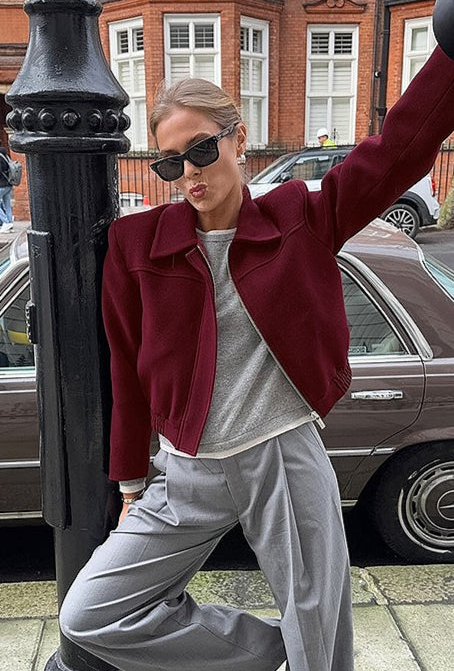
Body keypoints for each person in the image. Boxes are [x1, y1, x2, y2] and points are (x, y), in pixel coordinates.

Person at [59, 41, 454, 671]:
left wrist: (449, 60)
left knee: (319, 638)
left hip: (282, 456)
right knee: (91, 615)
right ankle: (275, 654)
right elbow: (127, 368)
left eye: (201, 150)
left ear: (238, 140)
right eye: (170, 163)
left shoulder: (299, 218)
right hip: (185, 472)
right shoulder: (136, 244)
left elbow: (394, 155)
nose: (189, 175)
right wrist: (131, 481)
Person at [0, 146, 14, 233]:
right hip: (8, 184)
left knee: (6, 205)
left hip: (1, 185)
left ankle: (5, 222)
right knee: (7, 205)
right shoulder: (6, 158)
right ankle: (9, 223)